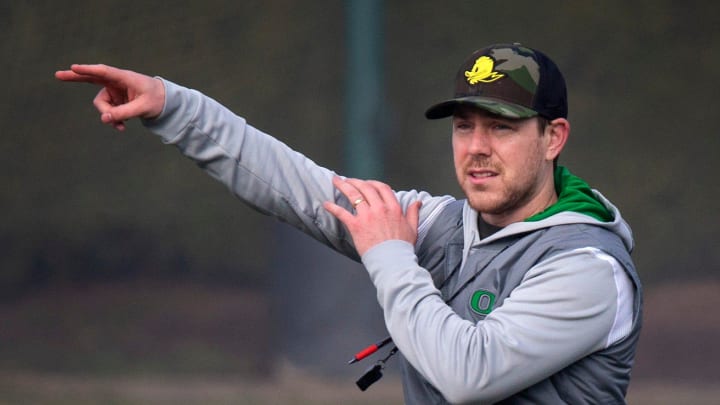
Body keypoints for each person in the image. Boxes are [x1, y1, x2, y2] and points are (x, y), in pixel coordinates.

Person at [56, 43, 642, 404]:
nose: (477, 147)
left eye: (503, 127)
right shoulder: (439, 222)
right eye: (465, 126)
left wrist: (392, 256)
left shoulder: (587, 268)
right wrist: (174, 105)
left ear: (553, 138)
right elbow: (299, 186)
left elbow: (469, 374)